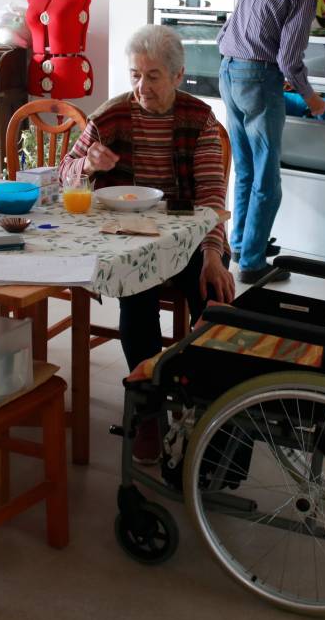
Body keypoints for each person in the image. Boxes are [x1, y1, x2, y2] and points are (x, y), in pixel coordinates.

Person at [58, 24, 235, 462]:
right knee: (136, 296)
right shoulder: (112, 116)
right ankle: (149, 409)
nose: (142, 87)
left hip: (190, 240)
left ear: (178, 76)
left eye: (153, 76)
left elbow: (212, 198)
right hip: (128, 240)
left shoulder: (198, 119)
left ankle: (208, 406)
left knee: (213, 296)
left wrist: (214, 256)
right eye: (135, 75)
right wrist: (87, 164)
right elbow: (65, 171)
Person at [217, 0, 325, 284]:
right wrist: (311, 97)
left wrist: (257, 70)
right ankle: (253, 263)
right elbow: (289, 58)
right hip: (258, 79)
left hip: (228, 71)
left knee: (245, 170)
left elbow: (227, 31)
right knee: (268, 178)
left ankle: (241, 246)